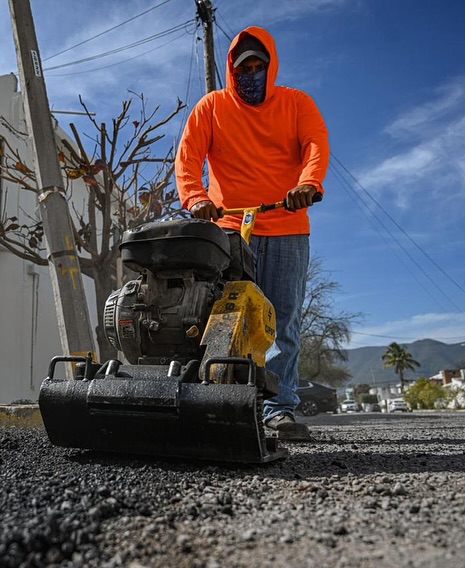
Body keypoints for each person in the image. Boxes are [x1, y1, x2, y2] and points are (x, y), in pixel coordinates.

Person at [175, 26, 329, 441]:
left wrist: (308, 185)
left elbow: (315, 145)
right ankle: (221, 402)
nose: (252, 74)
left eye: (260, 66)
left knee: (281, 322)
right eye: (245, 67)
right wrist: (195, 199)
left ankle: (278, 409)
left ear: (271, 67)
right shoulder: (211, 107)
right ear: (232, 68)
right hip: (229, 229)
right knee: (225, 317)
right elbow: (188, 158)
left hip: (286, 226)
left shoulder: (296, 104)